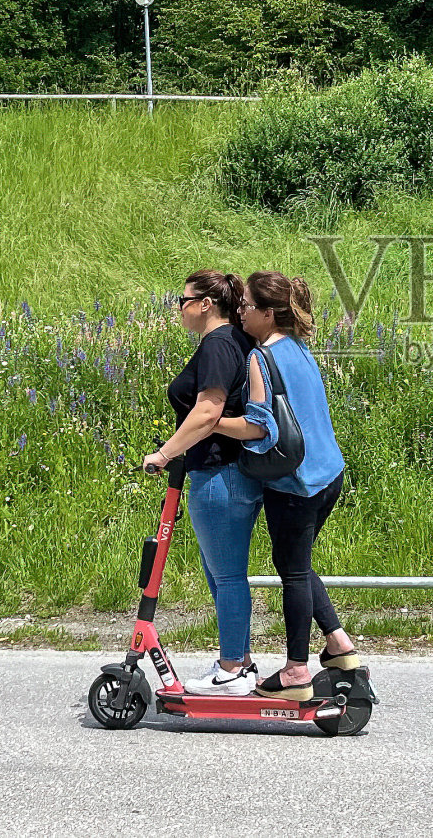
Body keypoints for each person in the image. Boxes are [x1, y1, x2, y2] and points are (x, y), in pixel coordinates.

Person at [211, 270, 358, 702]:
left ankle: (297, 671)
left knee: (293, 570)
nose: (240, 312)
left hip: (296, 483)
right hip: (329, 474)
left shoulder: (261, 357)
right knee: (297, 560)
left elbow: (259, 428)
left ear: (269, 313)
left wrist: (210, 424)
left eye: (247, 307)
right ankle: (337, 643)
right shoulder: (299, 347)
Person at [141, 270, 261, 696]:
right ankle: (240, 663)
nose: (180, 307)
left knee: (227, 576)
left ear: (206, 303)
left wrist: (165, 453)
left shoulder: (218, 344)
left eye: (184, 299)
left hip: (220, 473)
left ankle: (232, 670)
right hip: (228, 472)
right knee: (221, 575)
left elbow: (207, 412)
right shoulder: (237, 342)